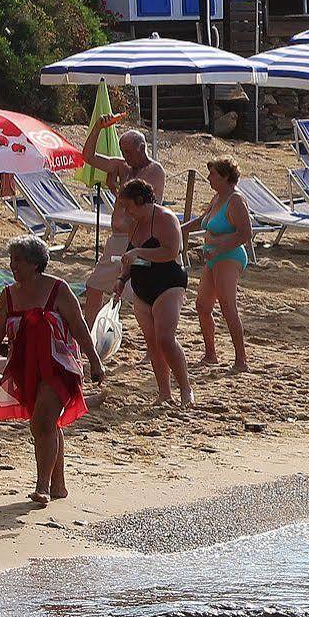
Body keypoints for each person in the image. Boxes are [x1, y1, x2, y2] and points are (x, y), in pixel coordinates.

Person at [0, 237, 104, 505]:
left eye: (18, 261)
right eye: (12, 260)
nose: (12, 266)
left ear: (34, 263)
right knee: (46, 423)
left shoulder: (58, 289)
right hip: (25, 368)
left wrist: (95, 362)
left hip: (60, 366)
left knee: (41, 421)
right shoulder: (8, 295)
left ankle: (42, 486)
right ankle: (59, 485)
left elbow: (79, 327)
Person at [79, 115, 166, 322]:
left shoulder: (154, 170)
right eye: (122, 151)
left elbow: (138, 201)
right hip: (117, 239)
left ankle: (151, 348)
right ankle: (89, 337)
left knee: (141, 295)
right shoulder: (122, 166)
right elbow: (88, 157)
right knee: (94, 285)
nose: (125, 156)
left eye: (128, 151)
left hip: (137, 239)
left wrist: (114, 187)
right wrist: (98, 128)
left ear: (141, 148)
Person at [116, 178, 192, 404]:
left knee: (166, 339)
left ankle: (186, 389)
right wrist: (121, 279)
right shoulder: (135, 223)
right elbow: (131, 258)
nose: (127, 212)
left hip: (168, 283)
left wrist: (139, 252)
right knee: (152, 343)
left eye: (129, 206)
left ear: (141, 201)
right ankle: (164, 393)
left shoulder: (165, 218)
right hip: (142, 287)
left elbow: (170, 252)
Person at [181, 157, 253, 372]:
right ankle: (211, 354)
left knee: (228, 307)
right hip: (213, 256)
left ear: (225, 177)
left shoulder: (236, 200)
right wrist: (178, 228)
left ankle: (241, 360)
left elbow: (245, 234)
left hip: (229, 256)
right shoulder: (217, 198)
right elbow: (201, 221)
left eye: (213, 174)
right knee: (202, 306)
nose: (210, 178)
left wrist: (220, 247)